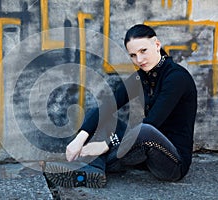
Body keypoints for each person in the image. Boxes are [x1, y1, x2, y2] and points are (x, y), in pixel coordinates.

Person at [45, 24, 197, 188]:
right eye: (133, 55)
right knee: (104, 119)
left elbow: (152, 123)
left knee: (144, 130)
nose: (139, 60)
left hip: (173, 163)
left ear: (157, 45)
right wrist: (79, 138)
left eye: (143, 51)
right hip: (146, 154)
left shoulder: (176, 77)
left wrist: (106, 145)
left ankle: (94, 163)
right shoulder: (141, 77)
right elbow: (108, 106)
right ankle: (92, 171)